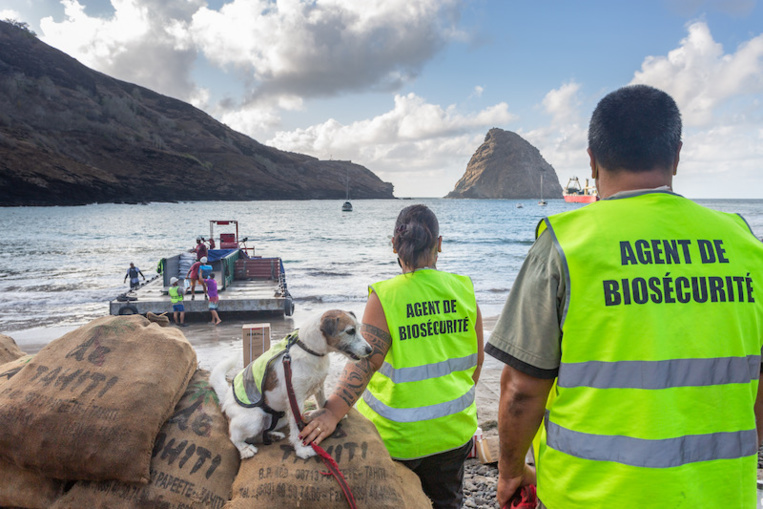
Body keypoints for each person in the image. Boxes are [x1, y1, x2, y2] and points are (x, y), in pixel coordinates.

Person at [487, 84, 763, 509]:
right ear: (676, 156)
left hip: (588, 496)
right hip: (721, 495)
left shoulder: (564, 245)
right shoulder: (745, 245)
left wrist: (509, 473)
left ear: (593, 161)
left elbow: (521, 391)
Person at [301, 204, 485, 509]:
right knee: (446, 501)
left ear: (394, 245)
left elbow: (366, 362)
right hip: (454, 432)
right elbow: (475, 364)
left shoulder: (386, 296)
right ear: (439, 244)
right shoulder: (464, 290)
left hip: (398, 438)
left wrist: (332, 412)